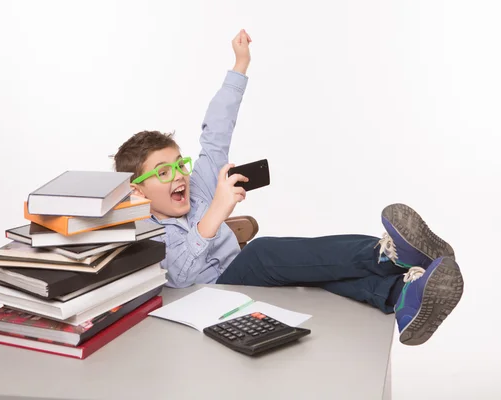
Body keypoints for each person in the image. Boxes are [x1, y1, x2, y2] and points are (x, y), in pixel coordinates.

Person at [113, 29, 464, 346]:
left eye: (179, 164)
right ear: (138, 191)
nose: (178, 176)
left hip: (239, 283)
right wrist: (216, 213)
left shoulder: (200, 184)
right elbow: (180, 276)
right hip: (204, 298)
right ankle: (386, 256)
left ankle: (402, 297)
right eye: (163, 172)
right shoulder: (142, 232)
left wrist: (240, 65)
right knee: (262, 253)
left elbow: (216, 131)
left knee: (312, 275)